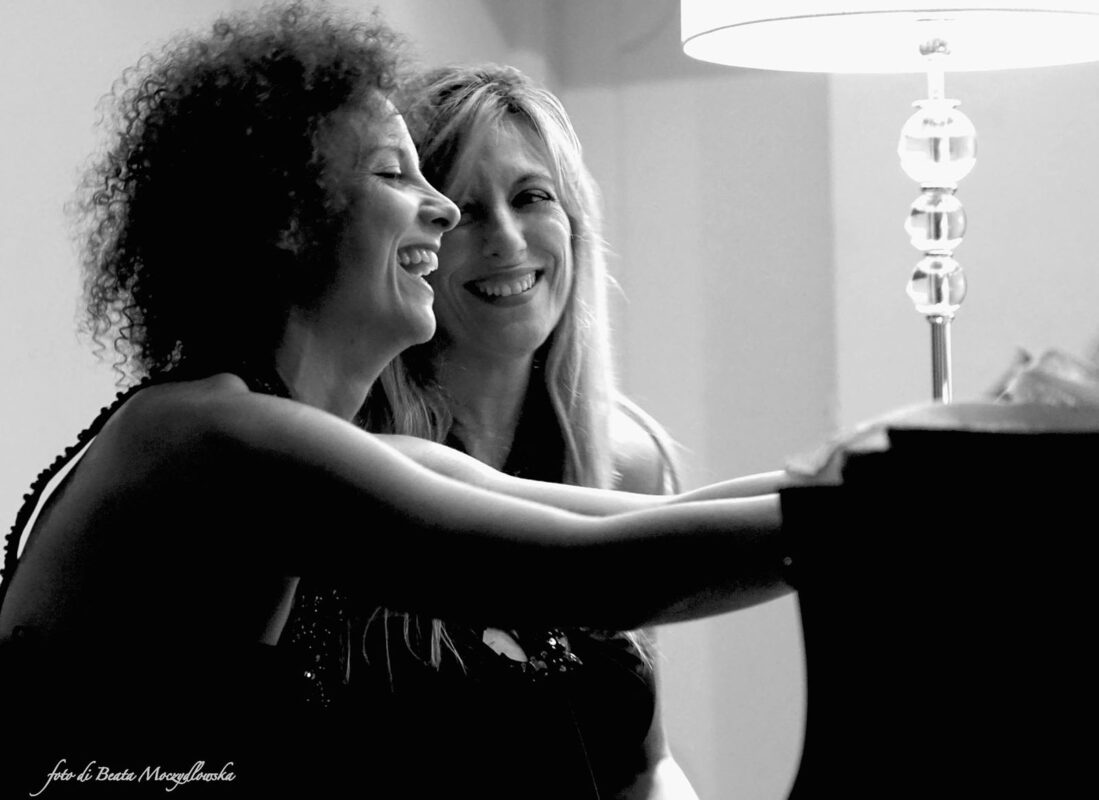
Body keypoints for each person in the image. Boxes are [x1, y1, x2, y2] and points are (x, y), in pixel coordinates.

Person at [0, 4, 792, 797]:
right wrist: (851, 503)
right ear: (286, 217)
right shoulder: (211, 439)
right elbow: (601, 575)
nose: (440, 208)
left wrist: (849, 471)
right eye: (393, 174)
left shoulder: (310, 443)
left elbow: (644, 524)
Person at [338, 63, 705, 797]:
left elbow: (645, 765)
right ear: (415, 238)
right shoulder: (352, 460)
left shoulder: (625, 458)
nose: (507, 241)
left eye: (532, 197)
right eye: (466, 211)